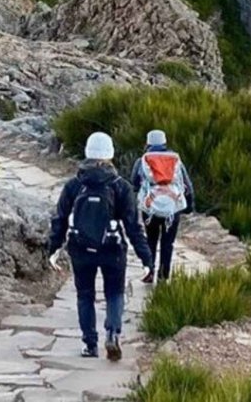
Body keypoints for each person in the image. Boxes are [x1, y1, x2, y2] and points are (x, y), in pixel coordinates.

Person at [48, 131, 154, 361]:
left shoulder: (74, 185)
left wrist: (54, 248)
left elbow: (60, 218)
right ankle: (113, 333)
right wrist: (146, 259)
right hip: (112, 249)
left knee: (84, 295)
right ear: (111, 154)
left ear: (87, 152)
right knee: (114, 293)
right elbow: (134, 227)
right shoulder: (121, 187)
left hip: (80, 248)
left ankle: (89, 344)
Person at [130, 128, 194, 283]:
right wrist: (189, 205)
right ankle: (164, 275)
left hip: (150, 208)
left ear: (147, 143)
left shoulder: (142, 161)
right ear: (165, 143)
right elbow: (187, 185)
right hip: (172, 208)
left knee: (151, 239)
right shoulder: (175, 159)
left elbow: (134, 183)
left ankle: (149, 271)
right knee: (168, 242)